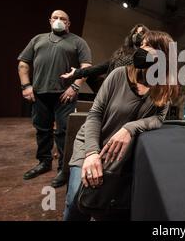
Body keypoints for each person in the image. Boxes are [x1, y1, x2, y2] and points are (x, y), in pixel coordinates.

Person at [64, 30, 178, 221]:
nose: (144, 50)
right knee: (76, 200)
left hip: (115, 154)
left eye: (152, 47)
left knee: (101, 205)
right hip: (91, 144)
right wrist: (91, 153)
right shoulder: (118, 75)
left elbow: (158, 118)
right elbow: (95, 115)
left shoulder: (163, 87)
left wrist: (129, 128)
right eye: (143, 46)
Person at [17, 10, 92, 188]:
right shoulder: (38, 39)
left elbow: (87, 67)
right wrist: (26, 86)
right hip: (39, 93)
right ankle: (44, 162)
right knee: (42, 130)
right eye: (56, 18)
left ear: (69, 23)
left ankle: (63, 169)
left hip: (65, 95)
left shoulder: (78, 42)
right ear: (50, 20)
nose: (59, 21)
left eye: (63, 19)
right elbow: (23, 63)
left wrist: (74, 87)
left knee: (63, 132)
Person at [60, 24, 149, 93]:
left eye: (141, 33)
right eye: (135, 33)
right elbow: (103, 66)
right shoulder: (122, 52)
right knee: (91, 74)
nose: (137, 35)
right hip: (113, 86)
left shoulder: (148, 55)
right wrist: (77, 72)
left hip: (130, 90)